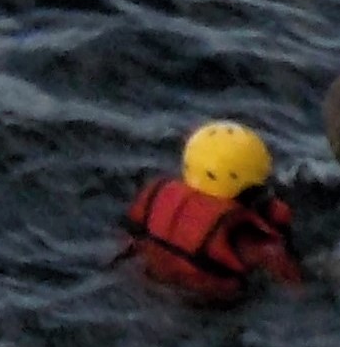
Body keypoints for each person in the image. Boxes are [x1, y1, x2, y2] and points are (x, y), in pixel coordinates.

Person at [119, 120, 306, 304]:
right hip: (205, 307)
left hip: (140, 284)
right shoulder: (254, 245)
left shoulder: (154, 200)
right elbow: (295, 291)